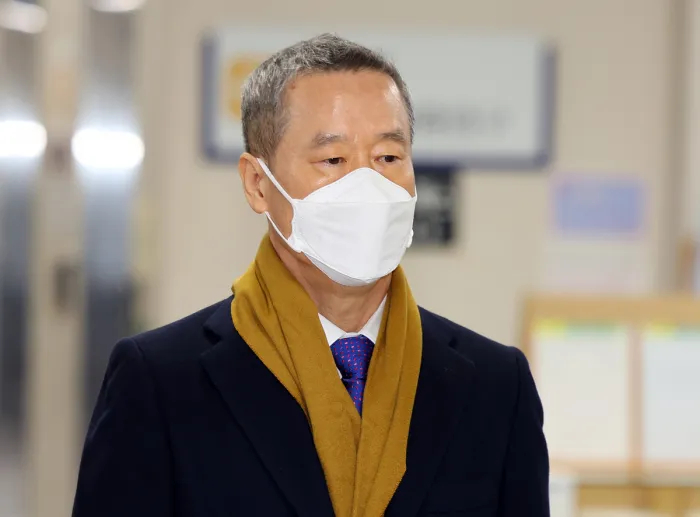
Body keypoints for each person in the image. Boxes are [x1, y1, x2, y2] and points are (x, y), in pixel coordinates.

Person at [72, 34, 549, 517]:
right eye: (333, 160)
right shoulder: (160, 382)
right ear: (258, 184)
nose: (368, 184)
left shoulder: (495, 386)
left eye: (388, 157)